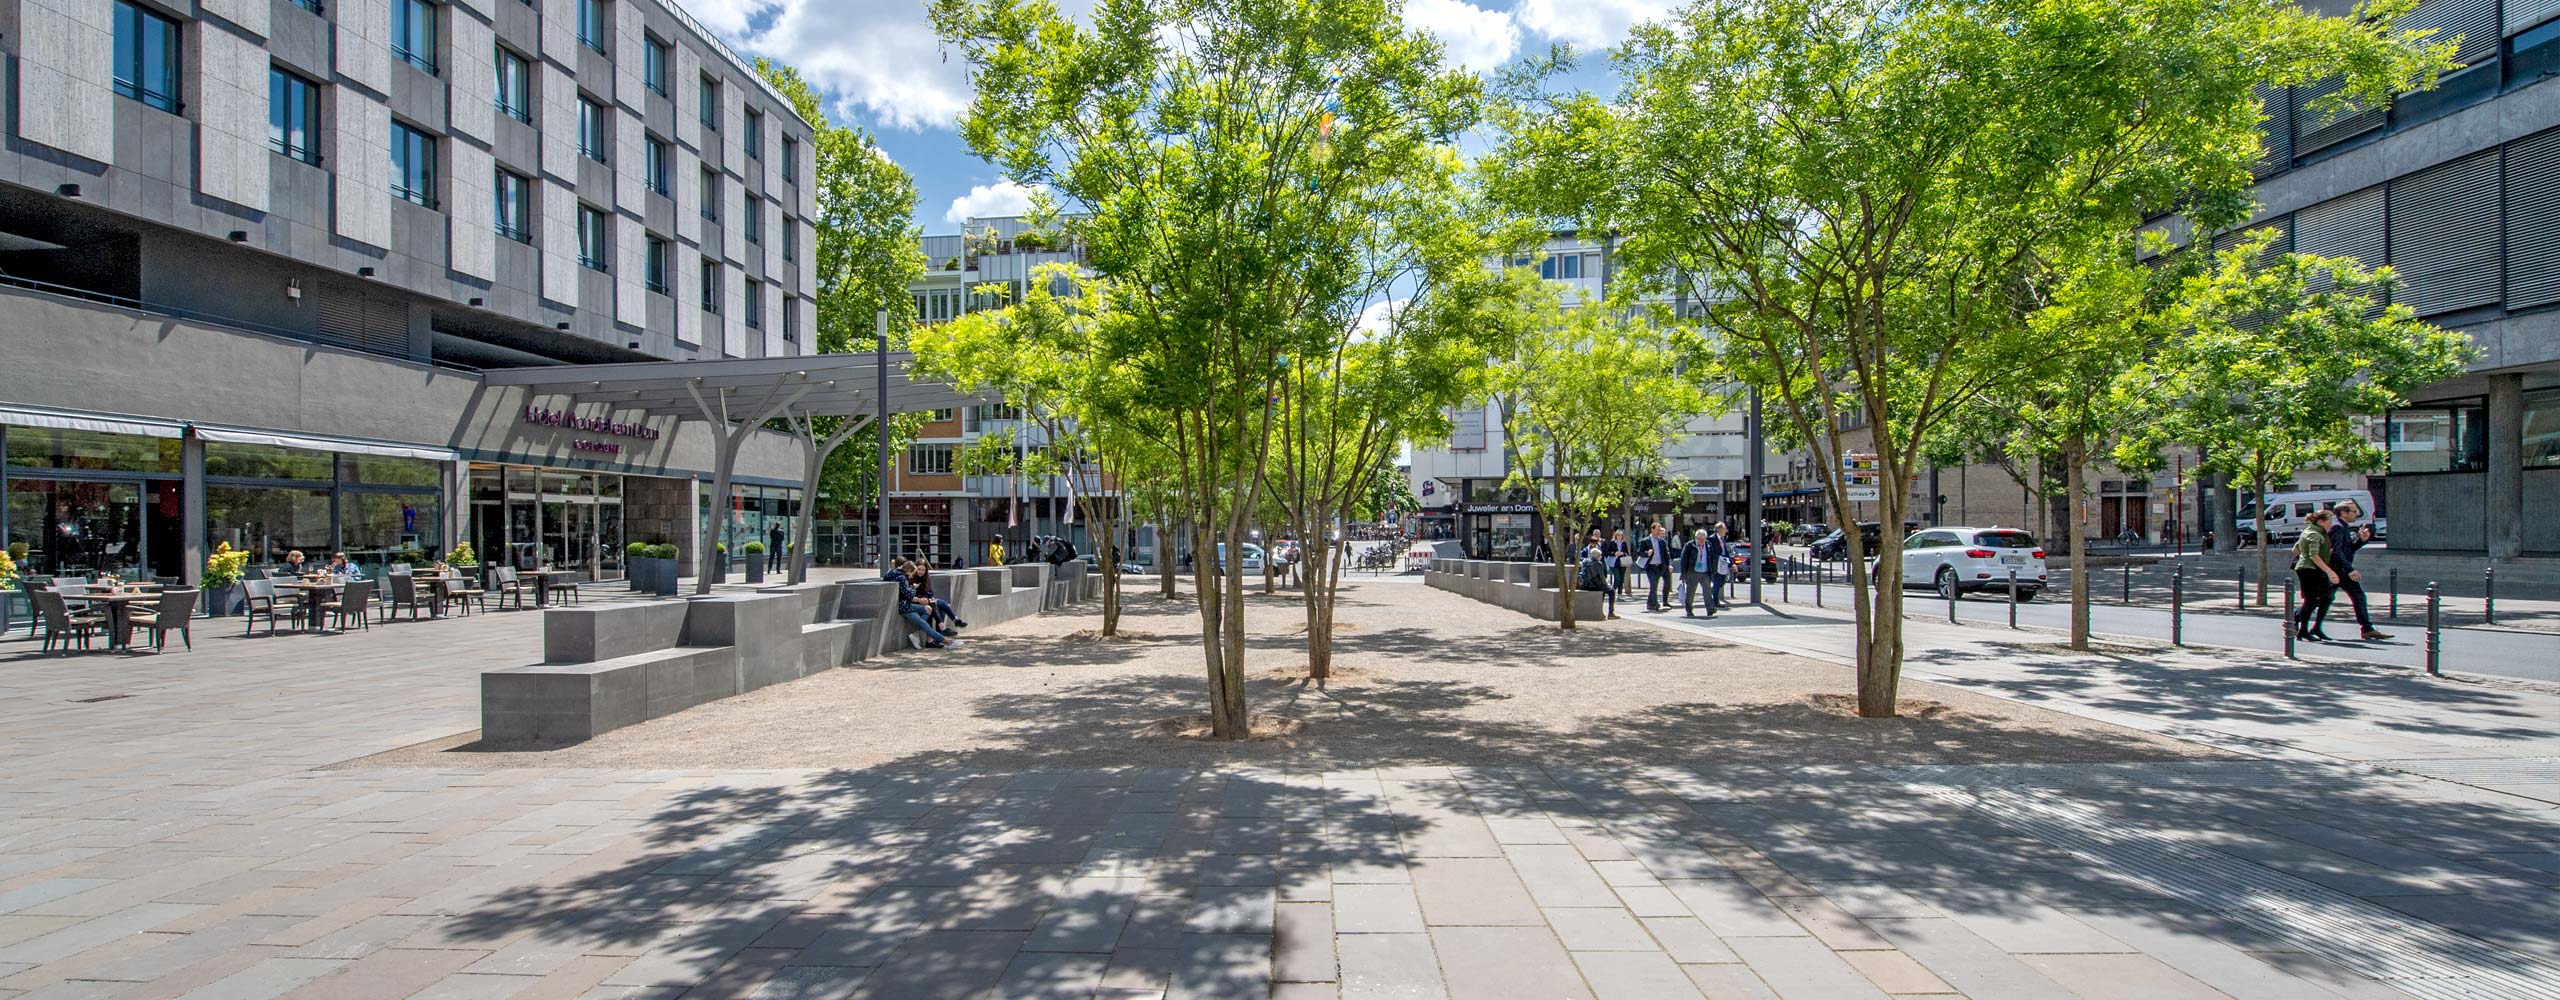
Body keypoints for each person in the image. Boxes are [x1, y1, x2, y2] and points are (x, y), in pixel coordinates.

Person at [2329, 500, 2389, 641]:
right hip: (2337, 570)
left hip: (2341, 569)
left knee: (2356, 596)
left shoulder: (2343, 527)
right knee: (2320, 599)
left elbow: (2348, 550)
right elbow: (2336, 553)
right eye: (2354, 511)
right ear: (2344, 513)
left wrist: (2362, 540)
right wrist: (2350, 569)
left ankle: (2367, 629)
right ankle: (2294, 620)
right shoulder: (2337, 528)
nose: (2357, 514)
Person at [2292, 509, 2341, 642]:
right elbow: (2314, 555)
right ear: (2320, 521)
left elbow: (2295, 549)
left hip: (2312, 568)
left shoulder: (2312, 531)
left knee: (2327, 597)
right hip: (2310, 569)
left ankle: (2315, 627)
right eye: (2329, 522)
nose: (2330, 525)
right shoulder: (2314, 534)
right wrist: (2329, 571)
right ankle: (2303, 630)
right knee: (2311, 600)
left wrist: (2303, 553)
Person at [884, 562, 955, 649]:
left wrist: (919, 600)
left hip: (906, 604)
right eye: (912, 573)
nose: (912, 575)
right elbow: (909, 594)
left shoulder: (895, 574)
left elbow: (905, 595)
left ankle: (916, 634)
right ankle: (947, 641)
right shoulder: (902, 578)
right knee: (925, 625)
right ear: (909, 570)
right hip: (905, 608)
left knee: (928, 609)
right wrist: (914, 587)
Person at [905, 559, 967, 631]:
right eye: (919, 569)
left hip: (926, 600)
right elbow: (912, 594)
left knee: (940, 608)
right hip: (916, 601)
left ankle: (942, 630)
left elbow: (929, 592)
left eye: (923, 570)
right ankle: (952, 621)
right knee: (941, 603)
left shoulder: (926, 577)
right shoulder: (911, 577)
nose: (921, 572)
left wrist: (930, 598)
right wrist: (926, 599)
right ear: (916, 568)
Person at [1678, 528, 1726, 618]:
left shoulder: (1708, 545)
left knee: (1707, 592)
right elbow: (1684, 559)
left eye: (1704, 539)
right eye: (1700, 539)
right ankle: (1689, 610)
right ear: (1696, 537)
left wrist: (1713, 570)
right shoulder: (1689, 545)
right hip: (1693, 572)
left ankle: (1710, 609)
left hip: (1705, 572)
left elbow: (1712, 558)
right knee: (1690, 592)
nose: (1702, 541)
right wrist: (1684, 573)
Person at [1638, 524, 1676, 612]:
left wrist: (1669, 565)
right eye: (1657, 530)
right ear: (1652, 529)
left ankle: (1650, 603)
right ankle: (1654, 604)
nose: (1659, 532)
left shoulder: (1662, 541)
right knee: (1653, 584)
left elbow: (1666, 555)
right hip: (1650, 566)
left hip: (1660, 566)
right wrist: (1647, 553)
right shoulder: (1645, 541)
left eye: (1659, 530)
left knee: (1654, 586)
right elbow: (1639, 552)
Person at [1578, 540, 1616, 618]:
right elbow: (1602, 578)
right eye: (1600, 556)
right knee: (1611, 591)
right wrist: (1607, 584)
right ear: (1598, 556)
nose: (1601, 557)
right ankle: (1611, 613)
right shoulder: (1598, 564)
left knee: (1603, 591)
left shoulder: (1585, 562)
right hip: (1595, 585)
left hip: (1586, 585)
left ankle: (1600, 612)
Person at [1605, 528, 1632, 599]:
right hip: (1614, 562)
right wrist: (1614, 553)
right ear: (1616, 536)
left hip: (1622, 562)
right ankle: (1612, 591)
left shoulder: (1624, 543)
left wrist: (1623, 553)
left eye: (1621, 535)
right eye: (1618, 535)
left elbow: (1627, 553)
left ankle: (1619, 594)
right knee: (1617, 578)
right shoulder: (1612, 543)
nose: (1620, 537)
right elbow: (1607, 552)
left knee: (1622, 578)